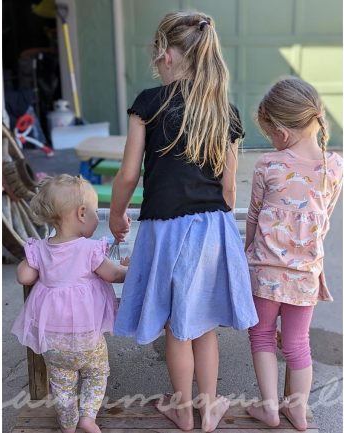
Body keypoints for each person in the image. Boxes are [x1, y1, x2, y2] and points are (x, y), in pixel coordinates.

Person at [109, 11, 258, 432]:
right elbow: (229, 191)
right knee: (204, 323)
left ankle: (182, 409)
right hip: (213, 227)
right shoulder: (225, 112)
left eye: (158, 52)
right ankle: (209, 407)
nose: (155, 60)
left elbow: (128, 174)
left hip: (167, 228)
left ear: (169, 54)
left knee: (177, 325)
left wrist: (117, 215)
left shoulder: (148, 104)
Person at [243, 77, 342, 431]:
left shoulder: (268, 165)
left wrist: (247, 249)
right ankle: (297, 411)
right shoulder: (334, 167)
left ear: (281, 132)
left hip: (266, 272)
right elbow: (324, 219)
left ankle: (270, 408)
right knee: (299, 343)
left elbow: (254, 216)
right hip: (305, 275)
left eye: (269, 132)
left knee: (262, 335)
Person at [11, 175, 129, 433]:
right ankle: (88, 417)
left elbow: (24, 277)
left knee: (62, 384)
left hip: (52, 340)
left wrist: (32, 257)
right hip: (87, 337)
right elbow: (113, 275)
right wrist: (128, 269)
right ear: (82, 213)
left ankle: (68, 425)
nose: (98, 217)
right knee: (96, 374)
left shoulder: (42, 249)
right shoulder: (89, 250)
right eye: (96, 212)